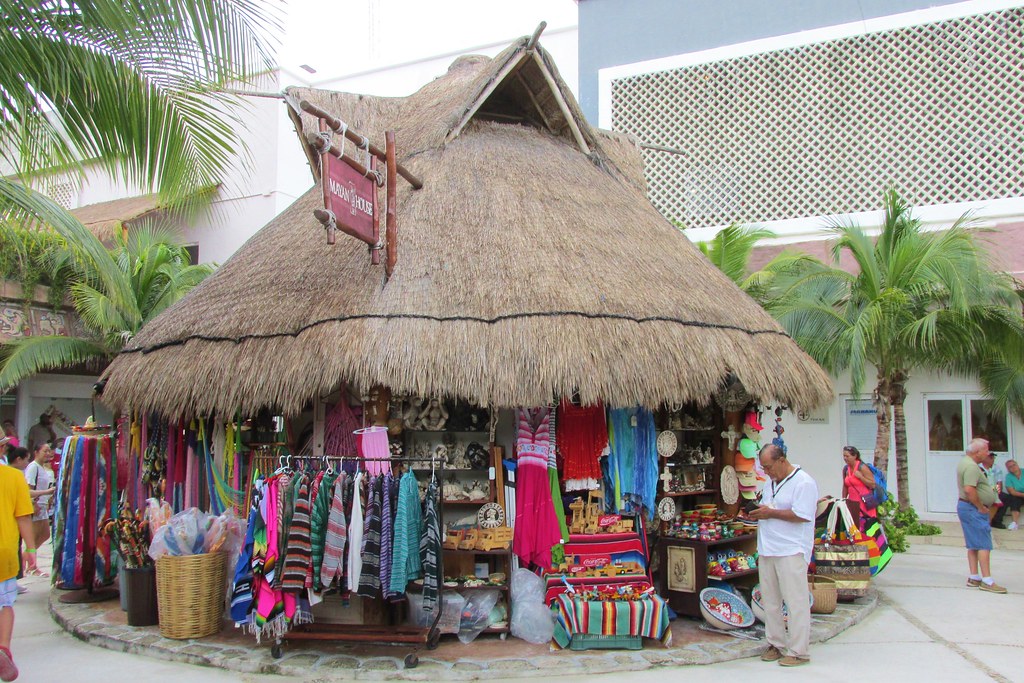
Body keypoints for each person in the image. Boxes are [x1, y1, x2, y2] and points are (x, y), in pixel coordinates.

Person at [747, 444, 818, 667]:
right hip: (768, 548)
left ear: (782, 460)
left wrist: (770, 513)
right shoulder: (770, 482)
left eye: (768, 467)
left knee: (795, 601)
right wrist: (759, 511)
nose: (766, 472)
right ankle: (775, 643)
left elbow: (802, 515)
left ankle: (799, 651)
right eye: (764, 468)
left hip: (791, 549)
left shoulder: (804, 482)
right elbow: (771, 507)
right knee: (771, 601)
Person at [0, 446, 34, 681]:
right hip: (4, 552)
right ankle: (3, 648)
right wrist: (31, 549)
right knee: (5, 604)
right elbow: (23, 516)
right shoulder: (14, 477)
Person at [956, 438, 1006, 593]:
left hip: (967, 507)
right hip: (973, 508)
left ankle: (974, 577)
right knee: (984, 544)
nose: (987, 452)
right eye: (985, 449)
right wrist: (981, 507)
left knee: (973, 544)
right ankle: (987, 580)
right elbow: (969, 490)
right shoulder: (971, 467)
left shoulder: (966, 462)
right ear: (977, 452)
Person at [23, 444, 55, 570]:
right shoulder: (33, 468)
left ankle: (29, 562)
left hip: (42, 506)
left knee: (45, 535)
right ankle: (29, 563)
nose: (47, 453)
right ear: (36, 452)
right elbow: (28, 490)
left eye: (49, 451)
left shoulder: (43, 468)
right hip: (35, 506)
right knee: (33, 538)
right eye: (44, 451)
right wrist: (34, 503)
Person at [841, 446, 876, 529]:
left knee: (867, 526)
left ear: (855, 456)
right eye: (844, 456)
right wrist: (843, 500)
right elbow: (845, 486)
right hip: (853, 504)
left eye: (847, 456)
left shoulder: (862, 467)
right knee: (855, 527)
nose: (845, 458)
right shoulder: (846, 469)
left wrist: (861, 477)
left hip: (865, 502)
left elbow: (872, 484)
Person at [994, 459, 1023, 531]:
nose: (1013, 467)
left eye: (1014, 465)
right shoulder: (1009, 477)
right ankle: (1015, 523)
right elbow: (1012, 491)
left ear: (1017, 465)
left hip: (1019, 494)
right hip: (1018, 495)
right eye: (1010, 467)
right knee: (1013, 499)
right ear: (1008, 469)